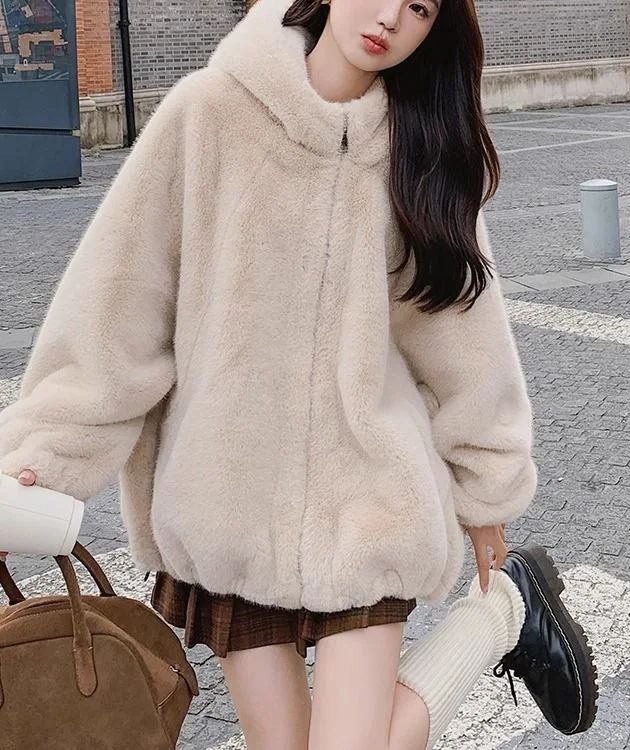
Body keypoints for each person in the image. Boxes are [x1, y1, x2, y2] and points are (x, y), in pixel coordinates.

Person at [0, 0, 599, 746]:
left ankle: (500, 611)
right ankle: (508, 611)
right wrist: (38, 464)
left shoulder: (420, 148)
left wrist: (488, 487)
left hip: (369, 502)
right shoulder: (208, 114)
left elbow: (460, 334)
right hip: (228, 506)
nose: (390, 18)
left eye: (419, 8)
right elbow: (118, 310)